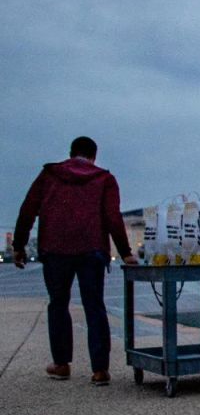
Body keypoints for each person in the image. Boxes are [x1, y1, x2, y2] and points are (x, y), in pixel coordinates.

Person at [13, 136, 137, 385]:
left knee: (58, 304)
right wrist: (125, 252)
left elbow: (28, 209)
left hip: (55, 249)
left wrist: (19, 246)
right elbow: (113, 218)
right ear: (93, 156)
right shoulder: (104, 179)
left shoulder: (49, 175)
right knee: (95, 306)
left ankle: (61, 365)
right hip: (91, 249)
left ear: (71, 154)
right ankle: (100, 370)